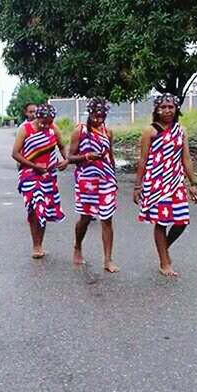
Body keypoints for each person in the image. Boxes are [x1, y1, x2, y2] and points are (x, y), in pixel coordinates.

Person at [133, 93, 197, 277]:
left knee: (181, 221)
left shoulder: (181, 130)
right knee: (161, 222)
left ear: (176, 109)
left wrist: (193, 183)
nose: (167, 110)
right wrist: (138, 186)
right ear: (156, 109)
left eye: (170, 107)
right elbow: (143, 159)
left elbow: (186, 158)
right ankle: (164, 261)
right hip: (156, 184)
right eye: (163, 107)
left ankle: (164, 249)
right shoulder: (150, 131)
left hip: (176, 182)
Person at [68, 98, 119, 272]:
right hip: (86, 182)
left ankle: (107, 260)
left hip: (106, 180)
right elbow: (70, 157)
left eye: (102, 115)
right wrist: (87, 157)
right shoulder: (80, 131)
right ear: (89, 113)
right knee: (85, 218)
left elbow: (110, 157)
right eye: (96, 115)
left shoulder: (108, 132)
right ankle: (77, 246)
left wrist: (114, 178)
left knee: (107, 219)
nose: (99, 118)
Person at [12, 103, 68, 258]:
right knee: (35, 204)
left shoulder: (53, 129)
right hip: (29, 172)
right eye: (44, 122)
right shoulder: (25, 130)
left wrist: (66, 160)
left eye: (50, 122)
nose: (47, 125)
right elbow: (15, 153)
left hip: (48, 175)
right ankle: (35, 245)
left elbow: (62, 146)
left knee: (44, 208)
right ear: (37, 117)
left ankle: (39, 244)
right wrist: (33, 165)